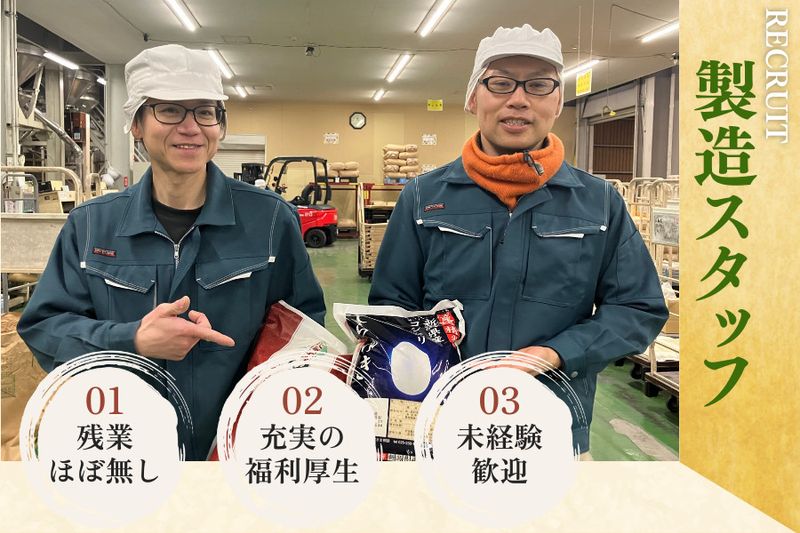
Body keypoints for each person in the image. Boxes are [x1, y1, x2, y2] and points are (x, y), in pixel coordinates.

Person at [368, 25, 668, 457]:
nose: (519, 99)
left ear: (558, 102)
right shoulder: (423, 197)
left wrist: (555, 353)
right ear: (474, 98)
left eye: (539, 85)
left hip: (553, 430)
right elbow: (391, 307)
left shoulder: (599, 203)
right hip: (442, 427)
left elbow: (638, 308)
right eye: (501, 83)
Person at [17, 44, 326, 459]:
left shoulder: (270, 220)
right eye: (170, 110)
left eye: (205, 111)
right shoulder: (91, 225)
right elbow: (44, 328)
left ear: (220, 125)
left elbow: (304, 333)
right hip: (124, 450)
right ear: (136, 124)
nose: (191, 127)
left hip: (237, 451)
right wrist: (132, 340)